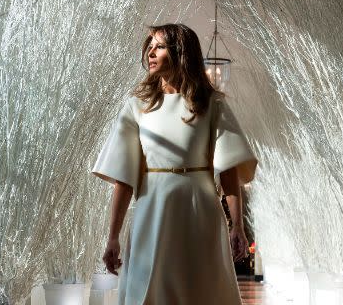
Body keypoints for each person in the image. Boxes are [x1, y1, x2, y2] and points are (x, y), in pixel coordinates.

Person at [92, 23, 257, 305]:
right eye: (150, 47)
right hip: (151, 210)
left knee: (200, 288)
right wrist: (112, 237)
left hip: (200, 211)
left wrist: (237, 226)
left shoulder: (211, 104)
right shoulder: (136, 107)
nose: (151, 53)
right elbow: (124, 178)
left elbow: (228, 170)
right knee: (151, 289)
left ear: (181, 53)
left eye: (159, 46)